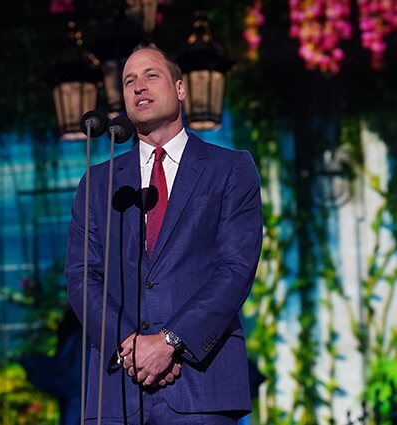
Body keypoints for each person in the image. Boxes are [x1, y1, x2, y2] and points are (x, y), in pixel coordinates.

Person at [65, 45, 263, 424]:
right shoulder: (98, 182)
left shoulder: (231, 169)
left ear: (181, 88)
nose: (139, 86)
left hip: (201, 385)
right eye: (128, 81)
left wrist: (171, 341)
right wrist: (130, 346)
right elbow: (82, 276)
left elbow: (235, 268)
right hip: (118, 388)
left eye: (151, 76)